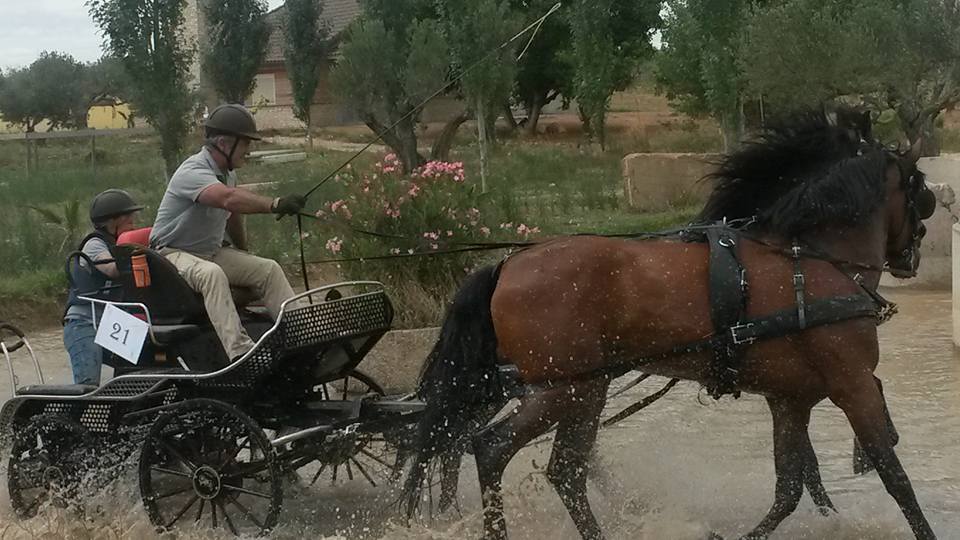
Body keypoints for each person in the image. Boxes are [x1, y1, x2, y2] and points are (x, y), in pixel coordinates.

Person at [149, 103, 306, 361]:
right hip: (171, 254)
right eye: (245, 143)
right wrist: (275, 204)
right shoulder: (193, 171)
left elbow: (233, 215)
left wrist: (244, 254)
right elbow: (228, 200)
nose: (248, 150)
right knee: (212, 275)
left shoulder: (226, 174)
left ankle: (301, 336)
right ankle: (241, 353)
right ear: (224, 143)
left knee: (267, 269)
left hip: (208, 251)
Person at [63, 189, 143, 385]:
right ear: (112, 221)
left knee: (139, 372)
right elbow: (112, 270)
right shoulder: (94, 245)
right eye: (129, 218)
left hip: (112, 322)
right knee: (87, 385)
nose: (133, 222)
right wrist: (140, 255)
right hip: (84, 323)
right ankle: (64, 416)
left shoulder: (120, 243)